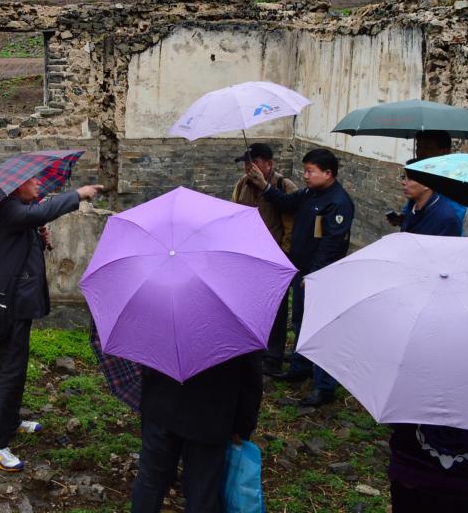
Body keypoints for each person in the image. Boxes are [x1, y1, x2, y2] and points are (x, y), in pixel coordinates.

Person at [0, 176, 104, 472]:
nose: (38, 186)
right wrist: (78, 194)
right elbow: (39, 212)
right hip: (6, 305)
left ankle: (9, 422)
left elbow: (21, 244)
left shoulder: (20, 212)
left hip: (18, 305)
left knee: (16, 366)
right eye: (32, 181)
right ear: (16, 186)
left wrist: (40, 238)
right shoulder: (8, 209)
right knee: (7, 371)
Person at [251, 147, 354, 407]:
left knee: (319, 328)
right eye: (305, 170)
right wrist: (265, 186)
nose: (305, 176)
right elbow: (288, 202)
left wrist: (314, 274)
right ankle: (300, 366)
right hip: (302, 270)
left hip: (320, 276)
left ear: (328, 173)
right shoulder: (311, 193)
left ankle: (323, 387)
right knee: (299, 321)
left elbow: (332, 245)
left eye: (310, 171)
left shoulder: (338, 203)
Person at [131, 351, 263, 513]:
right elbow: (251, 376)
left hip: (162, 402)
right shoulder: (242, 327)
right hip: (211, 415)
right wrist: (243, 425)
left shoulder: (161, 324)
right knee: (202, 492)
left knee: (151, 481)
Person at [231, 142, 298, 375]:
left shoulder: (283, 186)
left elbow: (290, 224)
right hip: (248, 256)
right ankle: (254, 350)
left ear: (269, 164)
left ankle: (273, 358)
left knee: (276, 310)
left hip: (274, 257)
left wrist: (284, 255)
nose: (249, 168)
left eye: (255, 163)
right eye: (246, 163)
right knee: (252, 306)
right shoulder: (242, 185)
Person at [387, 130, 466, 233]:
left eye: (427, 148)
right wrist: (403, 219)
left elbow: (449, 222)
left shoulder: (454, 183)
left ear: (444, 152)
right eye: (418, 147)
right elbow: (413, 209)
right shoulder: (421, 176)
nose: (420, 153)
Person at [399, 160, 462, 236]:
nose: (403, 182)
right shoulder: (411, 207)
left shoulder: (446, 218)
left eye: (410, 178)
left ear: (426, 184)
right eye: (403, 177)